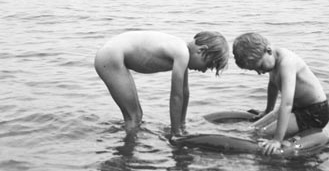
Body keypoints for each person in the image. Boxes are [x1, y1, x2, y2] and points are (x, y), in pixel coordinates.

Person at [94, 30, 230, 136]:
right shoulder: (182, 53)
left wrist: (181, 125)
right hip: (110, 57)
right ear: (201, 50)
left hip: (113, 54)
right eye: (208, 65)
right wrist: (175, 133)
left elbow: (185, 92)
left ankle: (129, 152)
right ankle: (127, 160)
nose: (204, 70)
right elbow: (176, 96)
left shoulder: (182, 52)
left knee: (136, 116)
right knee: (134, 117)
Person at [232, 32, 329, 155]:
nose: (260, 72)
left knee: (264, 133)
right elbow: (273, 85)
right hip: (297, 108)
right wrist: (268, 111)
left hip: (315, 112)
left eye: (260, 66)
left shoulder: (286, 63)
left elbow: (287, 104)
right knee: (252, 130)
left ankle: (288, 143)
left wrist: (277, 140)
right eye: (256, 70)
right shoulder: (272, 60)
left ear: (268, 50)